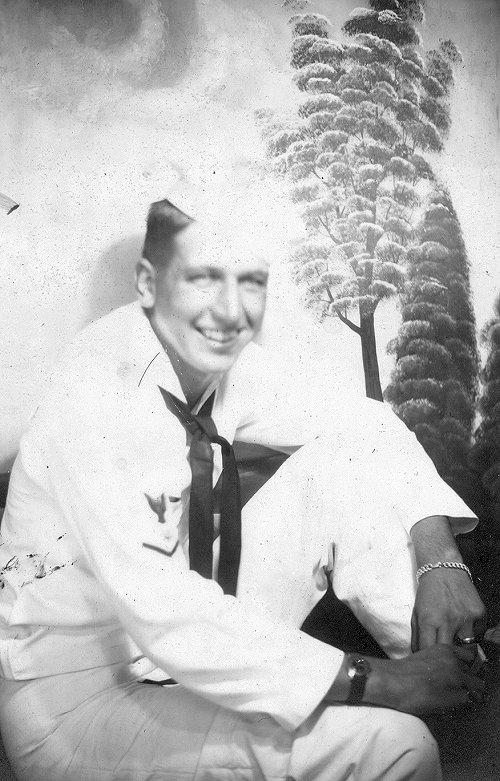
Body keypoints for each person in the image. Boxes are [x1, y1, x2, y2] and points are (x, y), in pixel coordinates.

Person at [0, 196, 486, 781]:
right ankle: (420, 692)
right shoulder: (97, 388)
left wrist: (440, 560)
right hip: (80, 702)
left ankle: (454, 668)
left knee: (340, 463)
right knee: (397, 747)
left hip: (183, 634)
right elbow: (165, 611)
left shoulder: (213, 356)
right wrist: (379, 682)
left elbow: (365, 422)